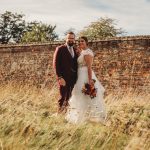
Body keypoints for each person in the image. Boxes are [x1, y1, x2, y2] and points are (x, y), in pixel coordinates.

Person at [66, 36, 107, 124]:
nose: (81, 43)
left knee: (87, 94)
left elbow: (89, 67)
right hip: (80, 75)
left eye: (82, 41)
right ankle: (80, 117)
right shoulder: (82, 52)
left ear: (86, 43)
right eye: (79, 41)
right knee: (79, 94)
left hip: (85, 75)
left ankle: (94, 117)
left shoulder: (88, 52)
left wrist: (90, 80)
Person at [53, 32, 78, 113]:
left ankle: (67, 113)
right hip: (63, 78)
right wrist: (59, 77)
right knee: (63, 96)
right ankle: (59, 113)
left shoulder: (75, 50)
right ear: (66, 39)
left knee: (70, 97)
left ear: (74, 40)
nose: (70, 40)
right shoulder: (60, 49)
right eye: (69, 38)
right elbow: (55, 64)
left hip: (73, 79)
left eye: (72, 38)